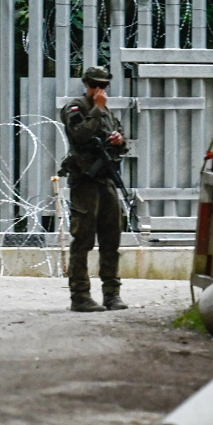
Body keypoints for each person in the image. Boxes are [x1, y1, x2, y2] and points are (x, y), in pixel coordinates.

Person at [58, 66, 129, 312]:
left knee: (111, 238)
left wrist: (119, 141)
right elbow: (79, 134)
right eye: (95, 85)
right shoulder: (75, 108)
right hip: (85, 182)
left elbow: (121, 144)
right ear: (86, 84)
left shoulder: (108, 113)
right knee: (83, 239)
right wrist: (97, 109)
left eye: (104, 86)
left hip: (106, 179)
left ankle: (112, 294)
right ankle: (80, 296)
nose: (99, 90)